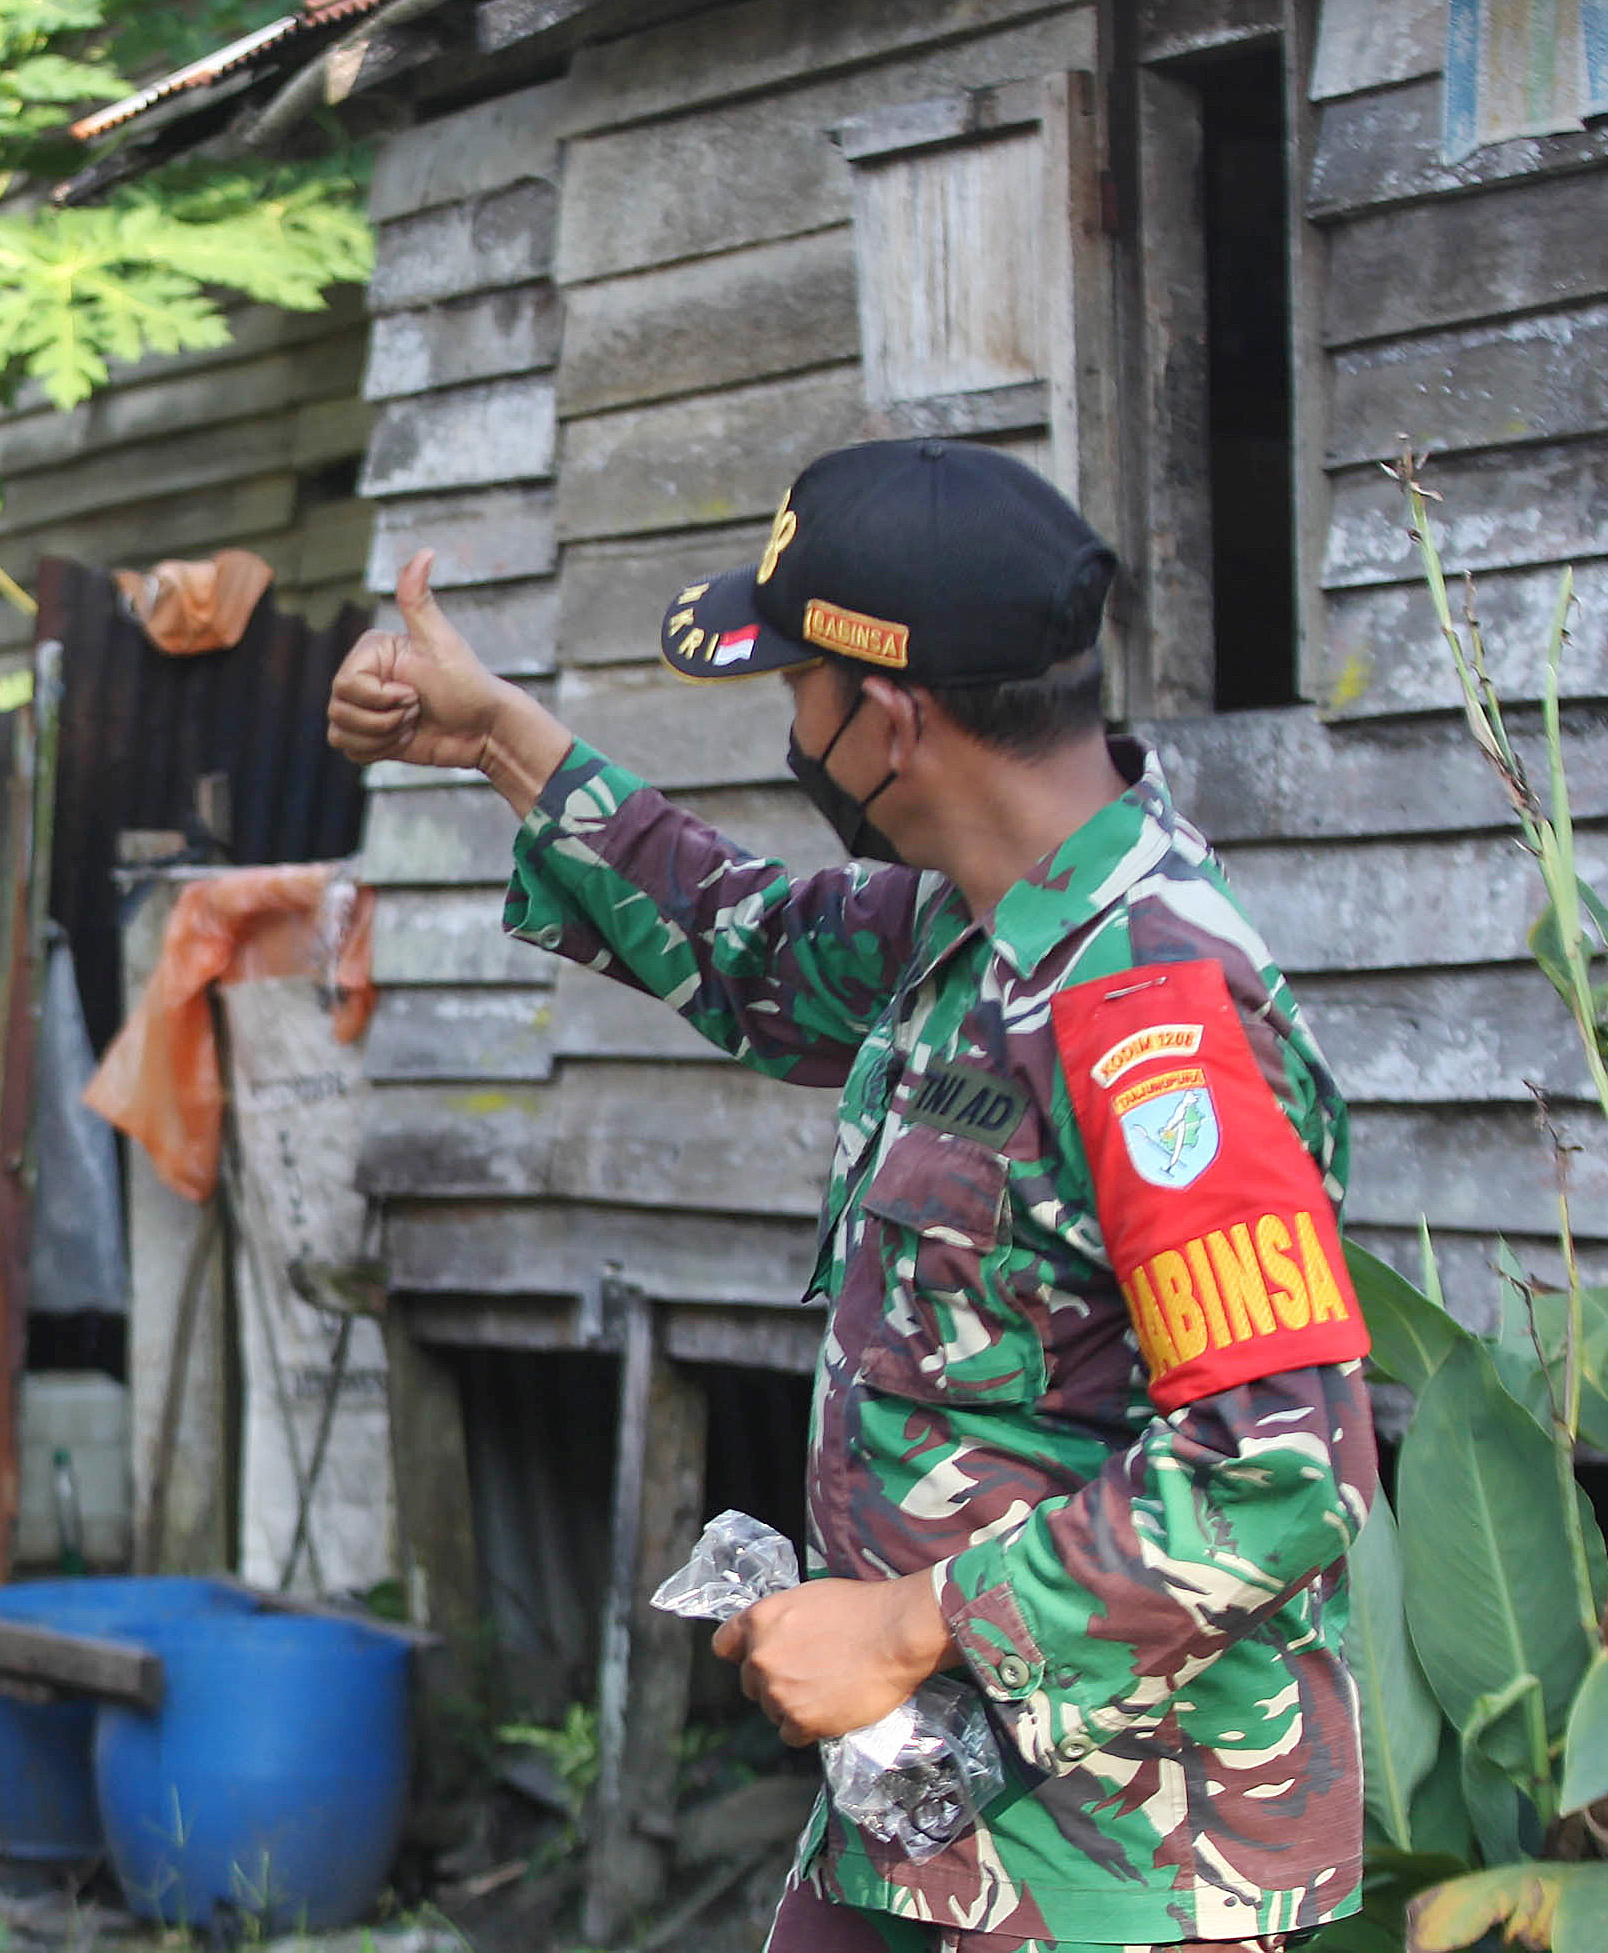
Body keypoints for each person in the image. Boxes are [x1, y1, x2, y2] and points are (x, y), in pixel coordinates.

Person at [328, 440, 1377, 1951]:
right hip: (930, 1812)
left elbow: (1277, 1465)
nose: (791, 725)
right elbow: (743, 940)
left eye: (795, 687)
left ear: (893, 715)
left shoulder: (1155, 1012)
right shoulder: (976, 931)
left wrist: (899, 1623)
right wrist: (497, 737)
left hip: (1123, 1863)